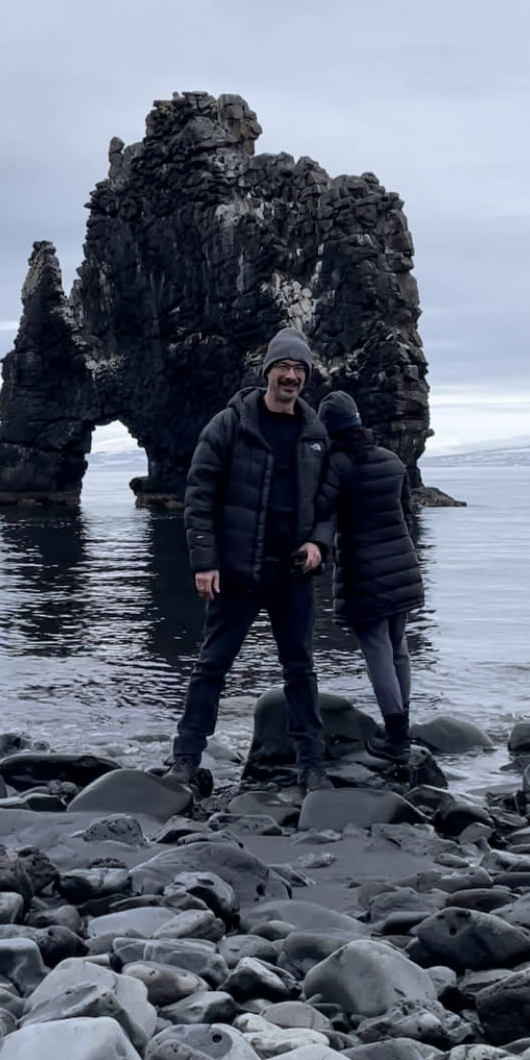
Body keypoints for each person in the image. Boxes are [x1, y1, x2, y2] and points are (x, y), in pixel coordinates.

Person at [164, 329, 336, 792]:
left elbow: (327, 502)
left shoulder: (315, 433)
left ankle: (311, 765)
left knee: (300, 668)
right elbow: (199, 495)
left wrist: (320, 543)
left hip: (293, 573)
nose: (292, 376)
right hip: (237, 571)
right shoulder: (229, 425)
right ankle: (185, 758)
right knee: (212, 665)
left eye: (300, 369)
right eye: (284, 367)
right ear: (268, 372)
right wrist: (205, 562)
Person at [316, 390, 424, 771]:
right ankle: (403, 726)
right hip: (403, 564)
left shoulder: (338, 465)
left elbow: (322, 510)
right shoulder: (393, 460)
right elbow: (407, 511)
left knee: (376, 650)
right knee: (399, 648)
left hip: (364, 570)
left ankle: (395, 738)